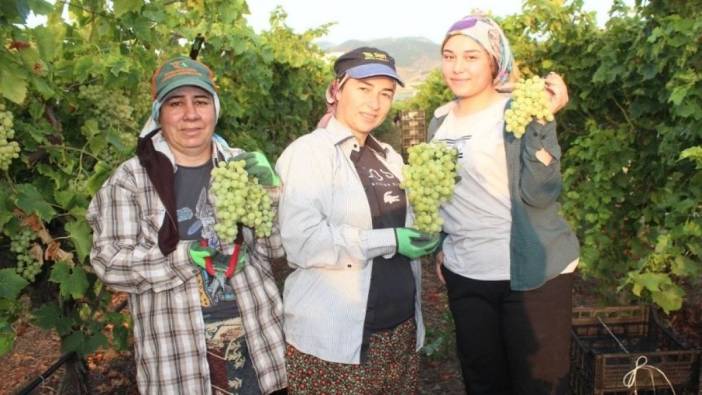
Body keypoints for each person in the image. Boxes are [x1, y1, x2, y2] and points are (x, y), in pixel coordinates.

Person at [87, 56, 287, 395]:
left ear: (215, 109)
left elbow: (277, 250)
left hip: (258, 351)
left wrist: (271, 195)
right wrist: (185, 256)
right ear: (158, 115)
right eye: (176, 103)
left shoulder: (240, 167)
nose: (191, 114)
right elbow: (108, 263)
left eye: (201, 101)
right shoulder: (131, 179)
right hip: (178, 364)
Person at [428, 15, 580, 395]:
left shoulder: (518, 110)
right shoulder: (438, 123)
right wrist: (443, 241)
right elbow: (444, 192)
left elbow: (541, 192)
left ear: (495, 61)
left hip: (530, 275)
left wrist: (543, 122)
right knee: (483, 381)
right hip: (467, 274)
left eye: (471, 56)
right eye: (449, 56)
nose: (457, 66)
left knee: (538, 386)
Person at [275, 47, 440, 394]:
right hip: (335, 342)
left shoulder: (390, 157)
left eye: (386, 93)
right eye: (364, 89)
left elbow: (407, 223)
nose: (375, 103)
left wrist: (425, 233)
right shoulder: (309, 153)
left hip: (399, 333)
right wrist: (391, 240)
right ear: (336, 90)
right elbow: (302, 243)